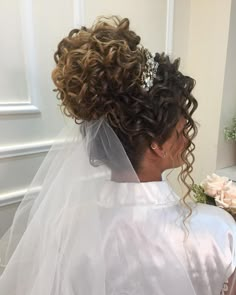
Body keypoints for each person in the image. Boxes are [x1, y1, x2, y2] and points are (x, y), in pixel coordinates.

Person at [0, 16, 235, 295]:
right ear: (156, 144)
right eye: (180, 129)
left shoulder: (66, 226)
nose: (187, 136)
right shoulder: (217, 231)